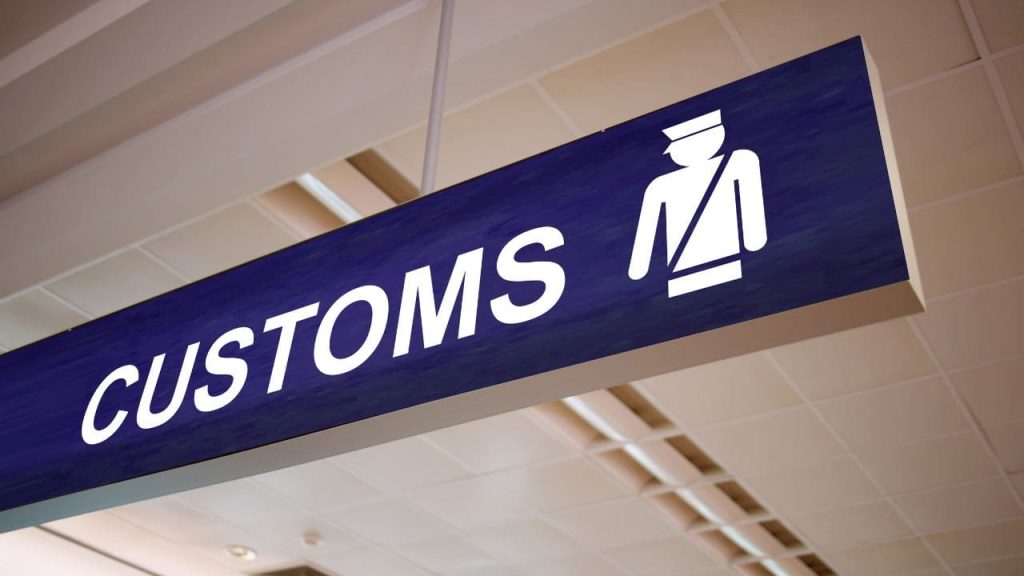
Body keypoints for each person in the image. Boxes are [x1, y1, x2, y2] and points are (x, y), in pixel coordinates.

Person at [628, 109, 767, 297]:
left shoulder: (661, 184)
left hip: (685, 273)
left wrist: (639, 270)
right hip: (724, 265)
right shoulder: (741, 160)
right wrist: (753, 243)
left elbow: (642, 248)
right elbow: (754, 230)